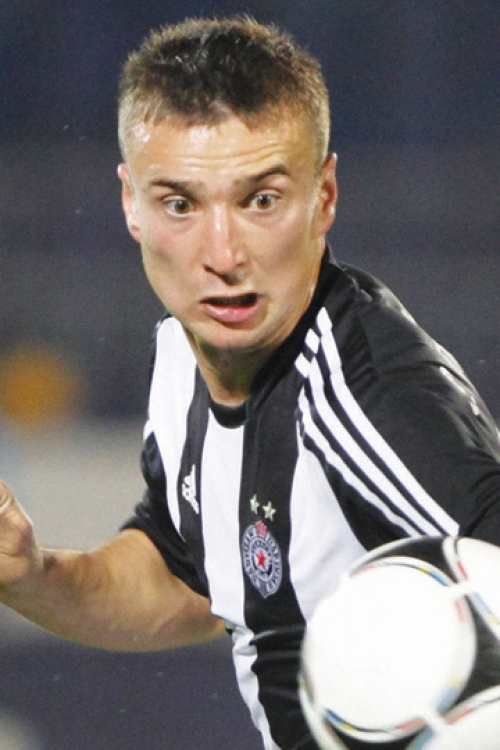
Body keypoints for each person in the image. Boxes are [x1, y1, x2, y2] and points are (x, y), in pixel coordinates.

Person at [1, 15, 500, 750]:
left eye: (260, 200)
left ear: (324, 196)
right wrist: (31, 575)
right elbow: (190, 581)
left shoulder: (370, 402)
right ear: (131, 204)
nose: (222, 254)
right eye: (180, 204)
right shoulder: (183, 351)